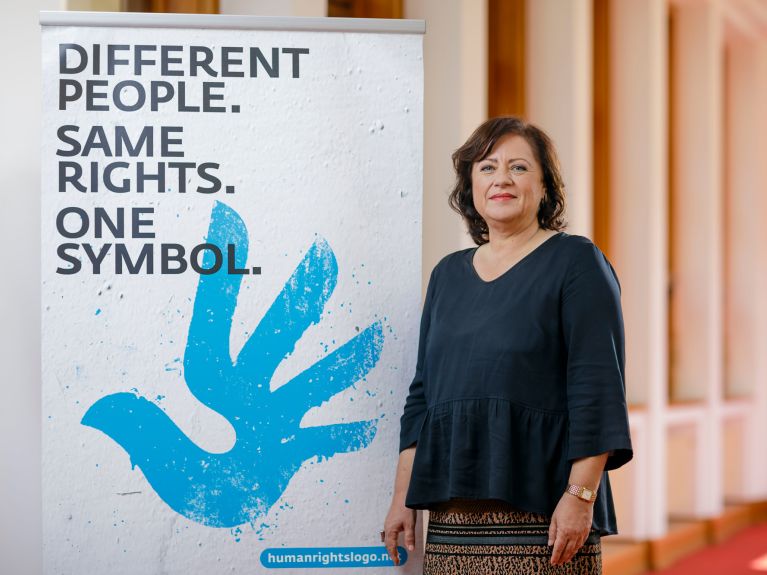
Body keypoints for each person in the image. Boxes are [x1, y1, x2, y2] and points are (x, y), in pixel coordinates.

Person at [382, 116, 633, 574]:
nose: (501, 179)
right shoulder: (447, 275)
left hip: (547, 512)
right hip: (453, 519)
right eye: (486, 167)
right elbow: (423, 395)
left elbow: (597, 389)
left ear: (544, 186)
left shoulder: (577, 263)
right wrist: (401, 498)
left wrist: (581, 498)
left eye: (518, 167)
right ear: (470, 186)